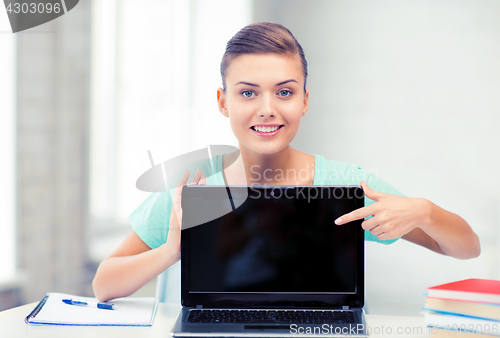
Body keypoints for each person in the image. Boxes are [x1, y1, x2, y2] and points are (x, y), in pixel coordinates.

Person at [92, 22, 480, 302]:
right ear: (223, 101)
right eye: (247, 93)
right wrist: (172, 250)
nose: (267, 109)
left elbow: (466, 248)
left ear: (305, 101)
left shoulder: (348, 183)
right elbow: (104, 285)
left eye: (284, 92)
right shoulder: (191, 186)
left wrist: (425, 212)